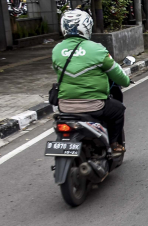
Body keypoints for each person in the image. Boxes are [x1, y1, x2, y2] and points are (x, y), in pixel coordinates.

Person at [51, 9, 130, 154]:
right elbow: (119, 76)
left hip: (64, 106)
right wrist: (126, 80)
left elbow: (58, 72)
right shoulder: (97, 49)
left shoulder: (57, 50)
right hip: (94, 105)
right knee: (118, 110)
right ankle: (113, 144)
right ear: (86, 26)